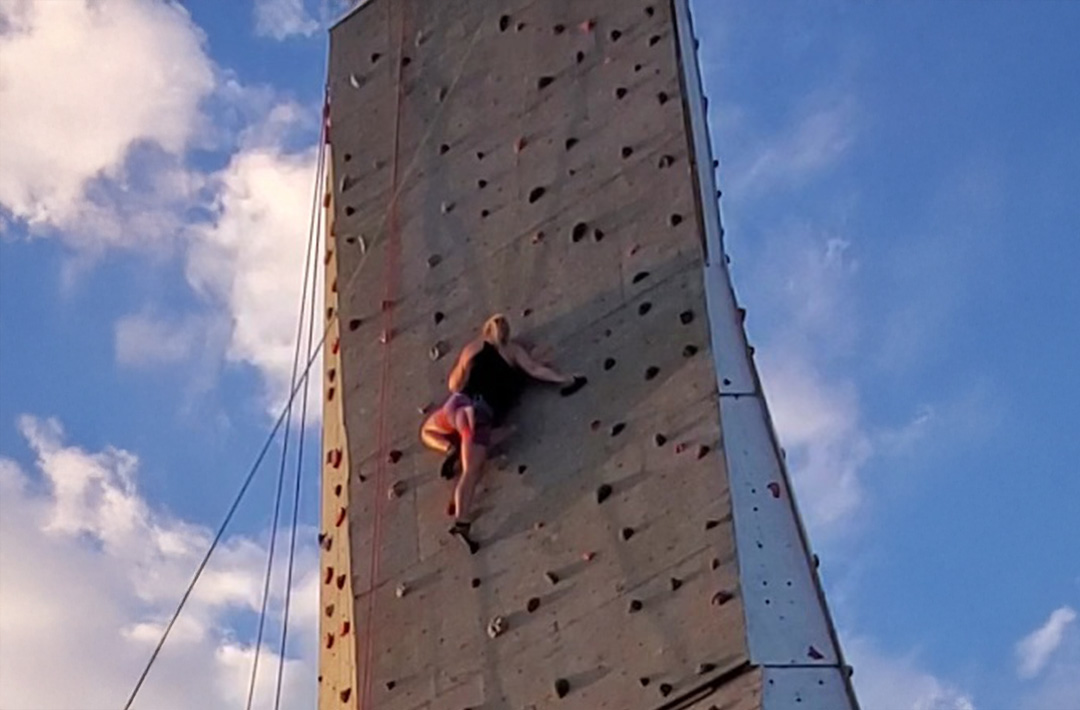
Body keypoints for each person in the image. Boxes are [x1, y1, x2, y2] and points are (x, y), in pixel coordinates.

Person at [420, 314, 586, 552]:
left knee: (428, 429)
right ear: (508, 335)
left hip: (457, 405)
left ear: (486, 330)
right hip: (478, 416)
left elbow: (454, 385)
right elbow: (536, 370)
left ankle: (448, 447)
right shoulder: (515, 352)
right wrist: (566, 378)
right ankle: (462, 520)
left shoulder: (474, 347)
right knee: (472, 471)